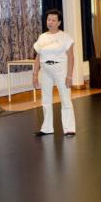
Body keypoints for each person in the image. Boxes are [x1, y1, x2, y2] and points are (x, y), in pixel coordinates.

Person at [32, 9, 76, 137]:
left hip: (60, 69)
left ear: (59, 22)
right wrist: (35, 74)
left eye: (53, 20)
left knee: (65, 99)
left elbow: (71, 58)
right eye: (48, 20)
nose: (50, 22)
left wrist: (69, 76)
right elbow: (38, 57)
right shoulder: (42, 37)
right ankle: (46, 128)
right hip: (45, 70)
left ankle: (69, 128)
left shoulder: (65, 37)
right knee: (45, 100)